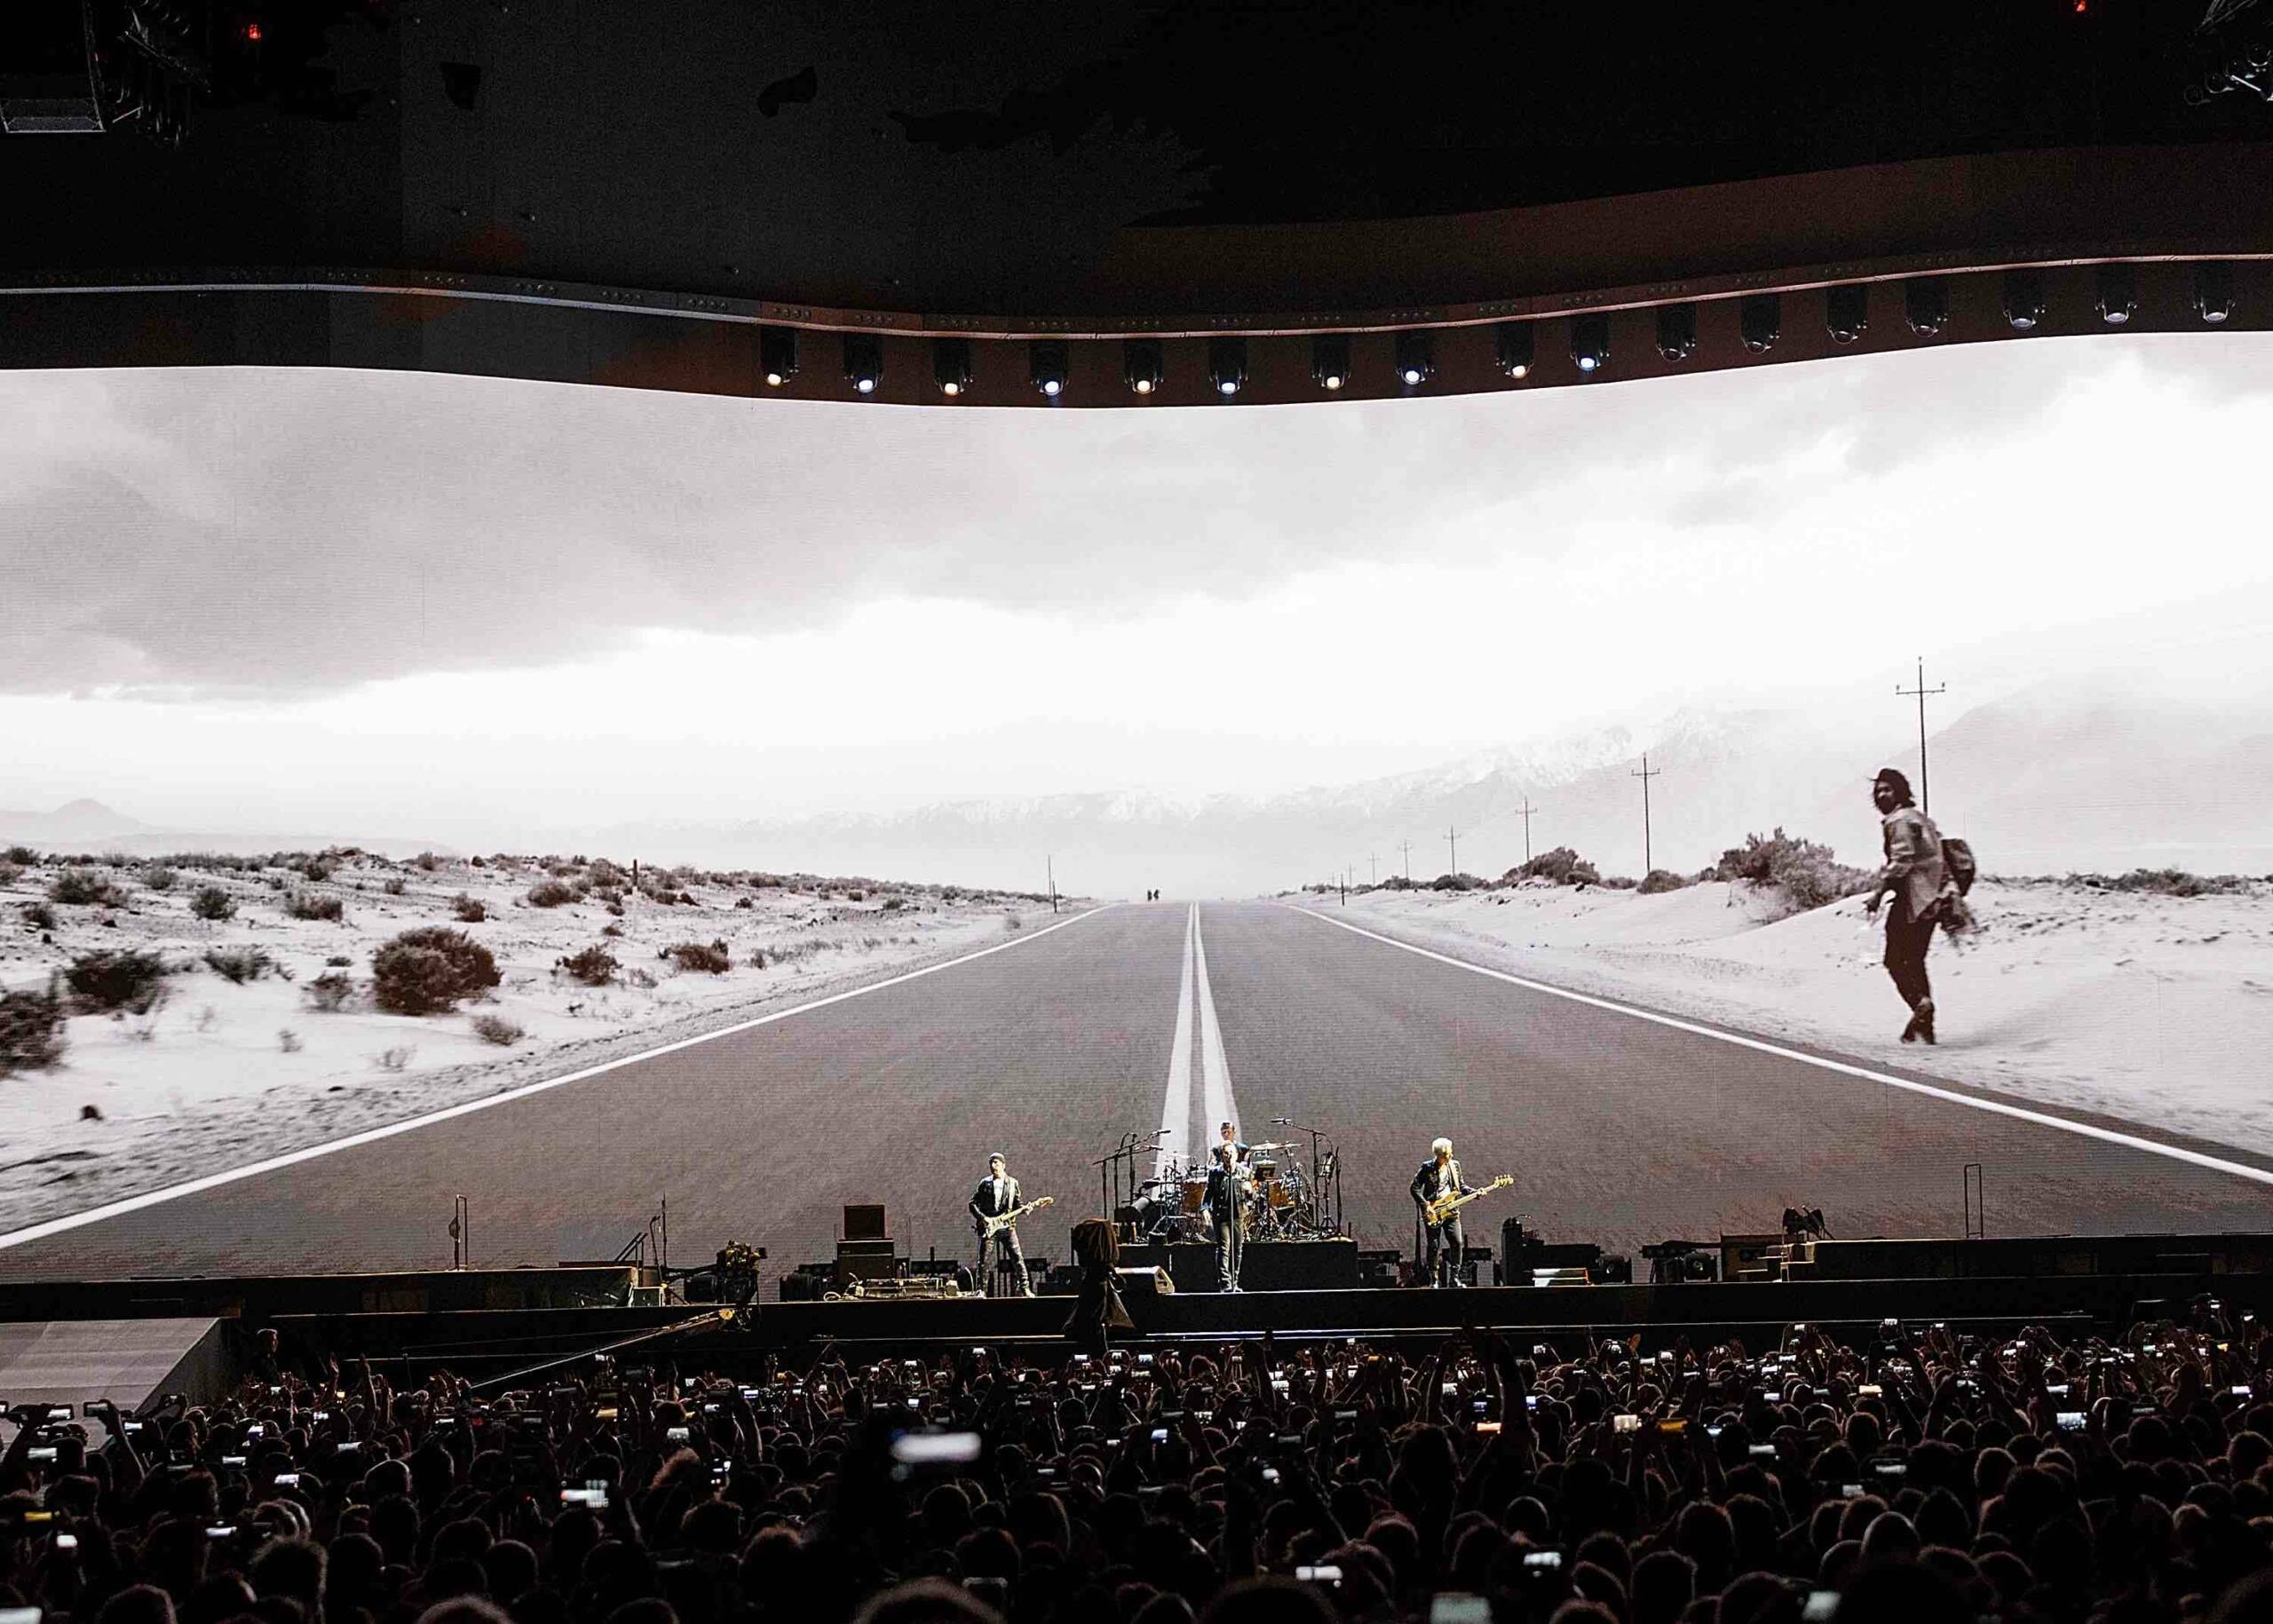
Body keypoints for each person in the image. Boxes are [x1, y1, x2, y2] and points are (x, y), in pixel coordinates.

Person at [1861, 766, 1951, 1045]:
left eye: (1887, 789)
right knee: (1915, 961)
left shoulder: (1898, 821)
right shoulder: (1921, 819)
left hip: (1913, 900)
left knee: (1894, 962)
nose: (1882, 795)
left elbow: (1901, 862)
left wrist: (1878, 893)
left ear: (1900, 791)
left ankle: (1920, 1005)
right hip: (1935, 900)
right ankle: (1927, 1028)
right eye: (1878, 791)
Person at [969, 1153, 1034, 1296]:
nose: (993, 1166)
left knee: (1017, 1257)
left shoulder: (1012, 1183)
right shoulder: (985, 1183)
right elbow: (972, 1203)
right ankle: (981, 1290)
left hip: (1007, 1227)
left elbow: (1017, 1205)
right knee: (983, 1261)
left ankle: (1025, 1287)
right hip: (989, 1227)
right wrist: (983, 1218)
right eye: (991, 1163)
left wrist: (1025, 1210)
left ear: (1003, 1165)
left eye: (996, 1163)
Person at [1411, 1137, 1469, 1287]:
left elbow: (1461, 1186)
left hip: (1452, 1211)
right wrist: (1426, 1206)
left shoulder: (1455, 1166)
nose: (1449, 1157)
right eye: (1446, 1155)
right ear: (1438, 1155)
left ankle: (1454, 1278)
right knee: (1433, 1245)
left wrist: (1475, 1192)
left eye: (1450, 1153)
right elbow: (1414, 1188)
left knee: (1457, 1242)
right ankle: (1434, 1279)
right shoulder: (1427, 1168)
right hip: (1434, 1211)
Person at [1204, 1140, 1249, 1292]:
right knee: (1224, 1248)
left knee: (1237, 1250)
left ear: (1236, 1155)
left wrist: (1250, 1191)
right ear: (1222, 1156)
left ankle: (1235, 1283)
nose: (1229, 1156)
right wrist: (1204, 1209)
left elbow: (1253, 1196)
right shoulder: (1215, 1173)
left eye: (1232, 1153)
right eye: (1226, 1153)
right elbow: (1208, 1195)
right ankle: (1226, 1285)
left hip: (1238, 1215)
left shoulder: (1243, 1172)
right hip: (1221, 1216)